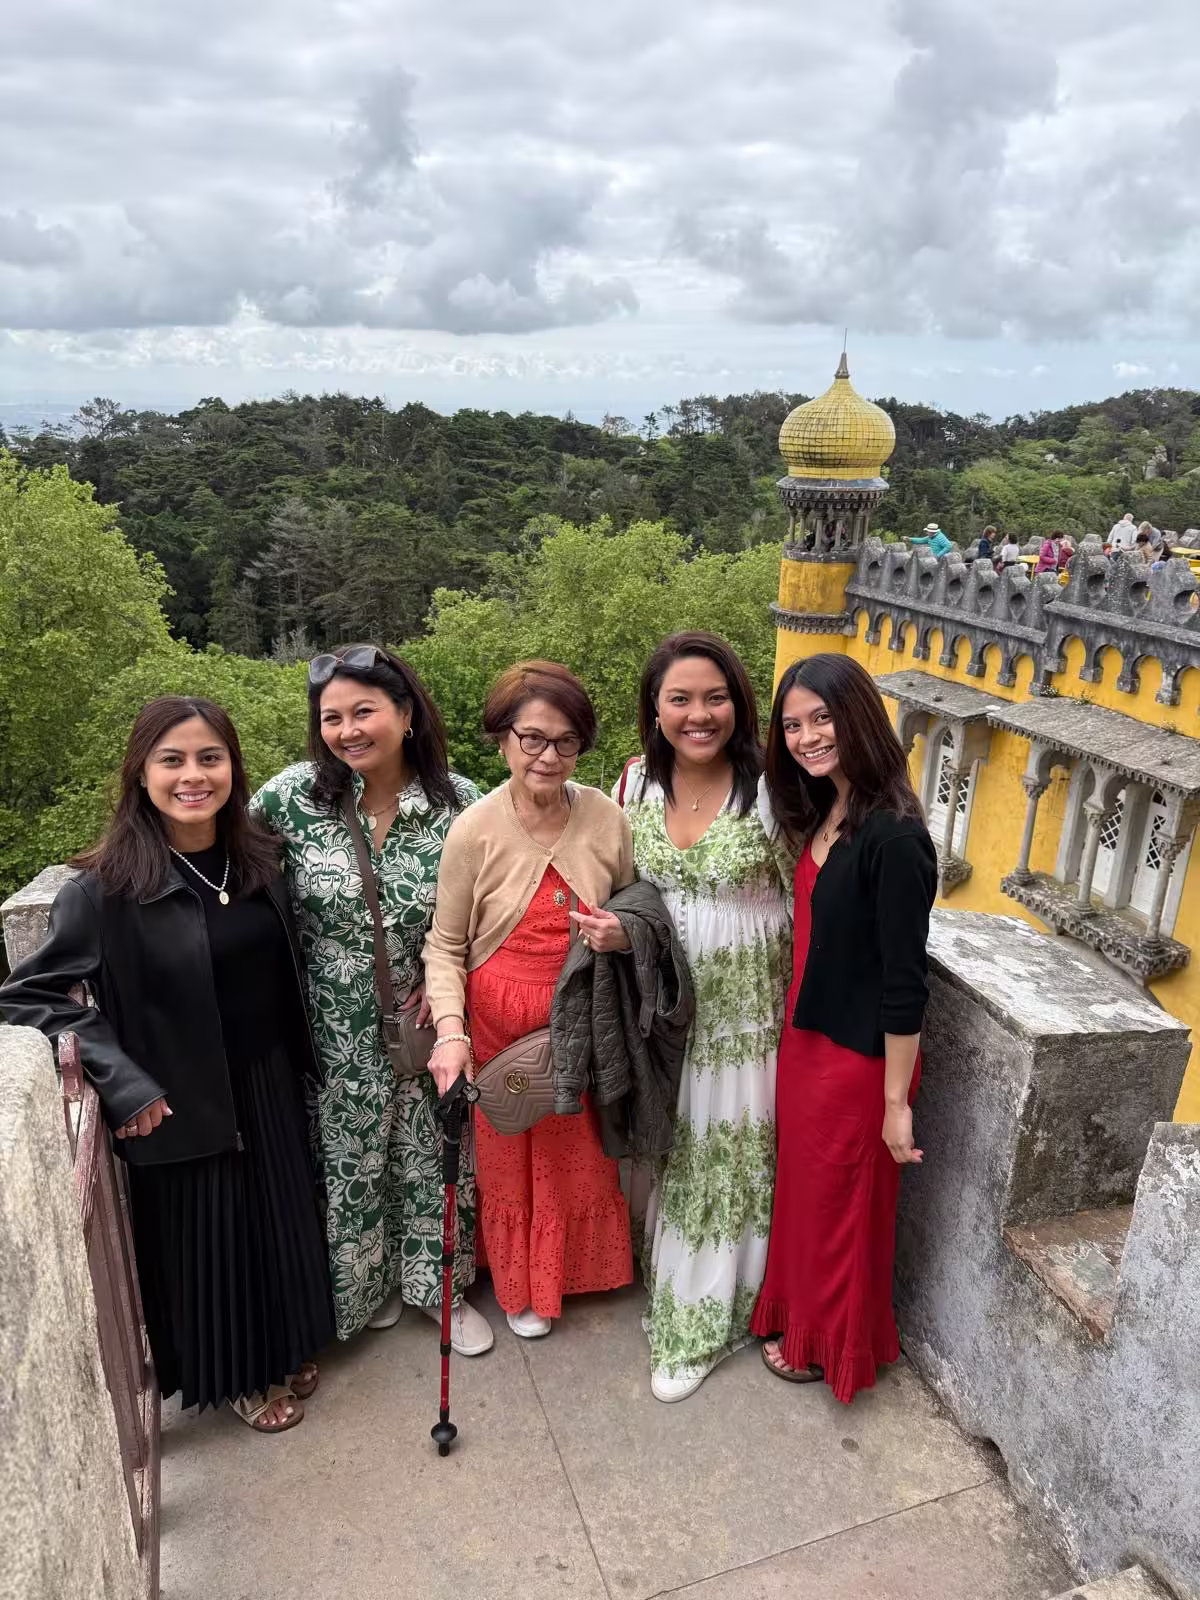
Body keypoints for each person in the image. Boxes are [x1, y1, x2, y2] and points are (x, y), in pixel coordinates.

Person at [1, 697, 334, 1433]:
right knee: (213, 1243)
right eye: (173, 760)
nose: (194, 776)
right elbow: (30, 995)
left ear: (232, 768)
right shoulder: (104, 888)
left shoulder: (258, 858)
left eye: (210, 758)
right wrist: (122, 1082)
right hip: (178, 1092)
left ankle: (283, 1345)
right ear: (141, 774)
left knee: (277, 1220)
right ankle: (243, 1377)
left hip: (266, 1074)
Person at [251, 646, 493, 1356]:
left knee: (436, 1150)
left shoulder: (463, 806)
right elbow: (214, 862)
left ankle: (442, 1290)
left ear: (407, 714)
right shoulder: (288, 798)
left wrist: (451, 990)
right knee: (349, 1157)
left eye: (364, 712)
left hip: (430, 1016)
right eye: (332, 718)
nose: (348, 730)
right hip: (329, 1017)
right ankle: (370, 1288)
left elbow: (497, 915)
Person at [423, 661, 635, 1340]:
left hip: (579, 1021)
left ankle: (572, 1273)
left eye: (566, 741)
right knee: (511, 1154)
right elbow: (444, 945)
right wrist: (450, 1032)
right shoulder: (475, 829)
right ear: (501, 739)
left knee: (576, 1151)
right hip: (495, 1028)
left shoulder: (604, 815)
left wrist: (623, 932)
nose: (548, 756)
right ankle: (519, 1285)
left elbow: (635, 905)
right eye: (532, 738)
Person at [750, 655, 936, 1404]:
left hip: (861, 1062)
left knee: (844, 1211)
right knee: (804, 1196)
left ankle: (831, 1348)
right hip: (808, 1041)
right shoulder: (827, 807)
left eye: (821, 718)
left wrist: (896, 1103)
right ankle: (798, 1322)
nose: (805, 737)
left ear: (857, 716)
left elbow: (905, 983)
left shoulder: (895, 839)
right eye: (792, 725)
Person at [615, 632, 793, 1402]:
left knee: (730, 1149)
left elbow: (812, 892)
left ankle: (710, 1311)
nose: (699, 714)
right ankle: (668, 1269)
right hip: (665, 1005)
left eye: (715, 697)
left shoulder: (774, 791)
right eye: (679, 699)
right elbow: (624, 886)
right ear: (654, 711)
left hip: (748, 1012)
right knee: (674, 1141)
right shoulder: (632, 787)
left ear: (740, 703)